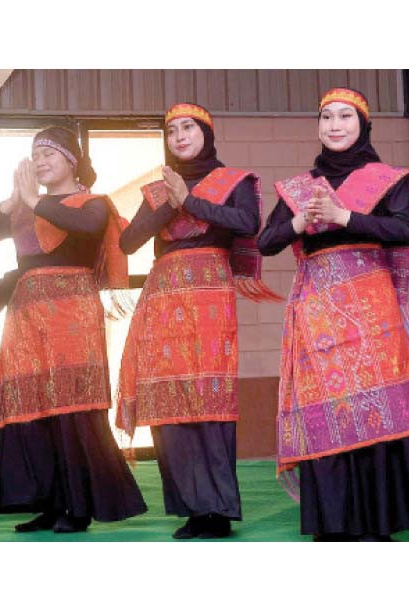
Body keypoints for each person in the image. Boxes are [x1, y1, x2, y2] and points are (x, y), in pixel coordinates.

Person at [257, 87, 409, 541]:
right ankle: (334, 522)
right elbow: (266, 243)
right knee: (327, 409)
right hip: (316, 314)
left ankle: (379, 521)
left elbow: (404, 230)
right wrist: (301, 223)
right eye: (327, 117)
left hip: (371, 314)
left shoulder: (387, 179)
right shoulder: (300, 188)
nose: (335, 125)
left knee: (376, 408)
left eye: (346, 116)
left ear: (363, 125)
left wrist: (345, 217)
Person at [0, 126, 147, 533]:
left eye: (49, 153)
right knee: (34, 407)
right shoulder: (22, 209)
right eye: (35, 155)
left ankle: (78, 507)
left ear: (71, 160)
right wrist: (13, 202)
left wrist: (33, 201)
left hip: (72, 315)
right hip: (27, 314)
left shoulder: (93, 203)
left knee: (71, 404)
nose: (41, 162)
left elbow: (83, 227)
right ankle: (48, 504)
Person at [116, 102, 277, 539]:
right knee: (170, 404)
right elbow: (128, 242)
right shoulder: (158, 190)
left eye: (189, 128)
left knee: (209, 400)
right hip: (164, 299)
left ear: (207, 132)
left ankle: (218, 511)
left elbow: (247, 223)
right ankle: (191, 509)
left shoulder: (234, 181)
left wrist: (190, 201)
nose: (180, 137)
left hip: (210, 297)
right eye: (172, 131)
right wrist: (169, 203)